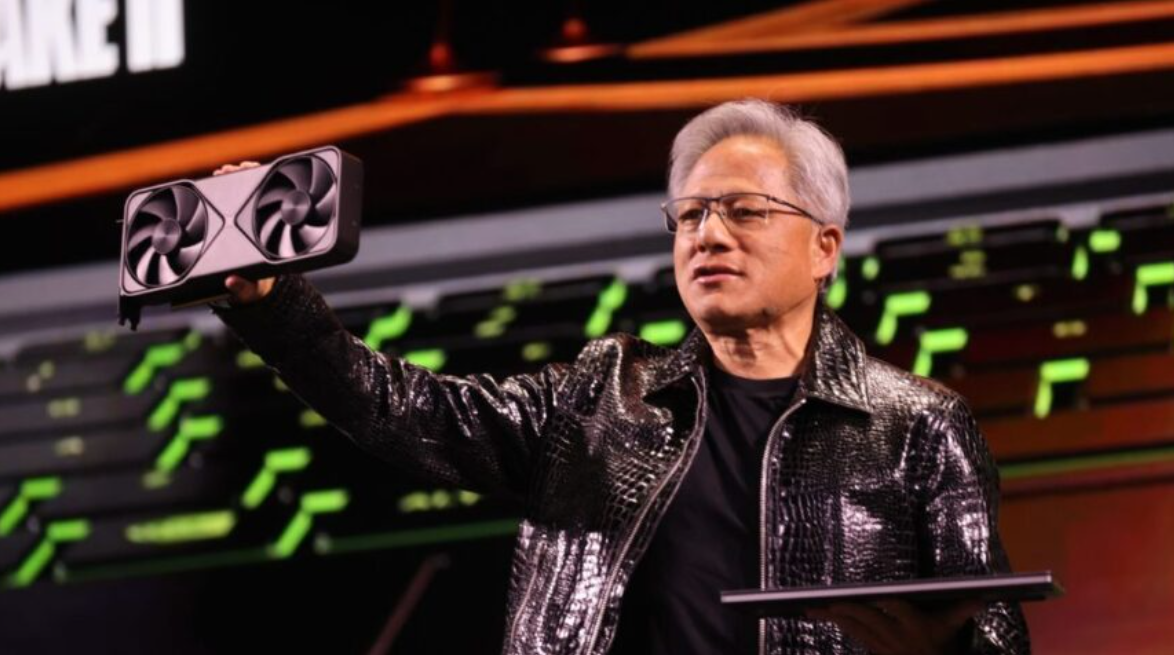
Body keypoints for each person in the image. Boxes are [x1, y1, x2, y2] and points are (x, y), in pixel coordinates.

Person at [210, 99, 1029, 655]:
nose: (708, 234)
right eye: (690, 214)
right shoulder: (598, 396)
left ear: (825, 246)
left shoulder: (919, 424)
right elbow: (400, 409)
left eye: (745, 210)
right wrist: (273, 304)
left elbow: (993, 631)